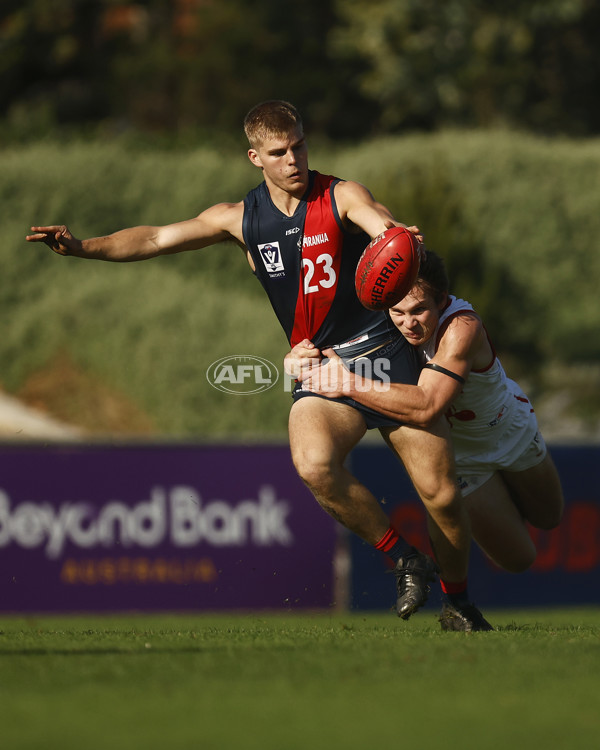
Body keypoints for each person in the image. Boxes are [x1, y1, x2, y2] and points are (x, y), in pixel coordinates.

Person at [26, 100, 489, 630]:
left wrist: (395, 234)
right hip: (319, 366)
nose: (293, 159)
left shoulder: (341, 194)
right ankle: (406, 560)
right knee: (313, 464)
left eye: (299, 145)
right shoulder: (240, 219)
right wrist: (83, 247)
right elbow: (156, 237)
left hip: (387, 354)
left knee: (442, 494)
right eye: (279, 152)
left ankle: (460, 604)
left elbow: (377, 220)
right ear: (255, 157)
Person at [293, 248, 564, 629]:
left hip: (510, 429)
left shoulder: (461, 327)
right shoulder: (385, 318)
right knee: (520, 559)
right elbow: (330, 339)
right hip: (465, 457)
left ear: (442, 299)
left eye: (419, 310)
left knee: (550, 517)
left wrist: (347, 383)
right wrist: (297, 356)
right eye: (398, 312)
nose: (408, 324)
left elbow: (426, 407)